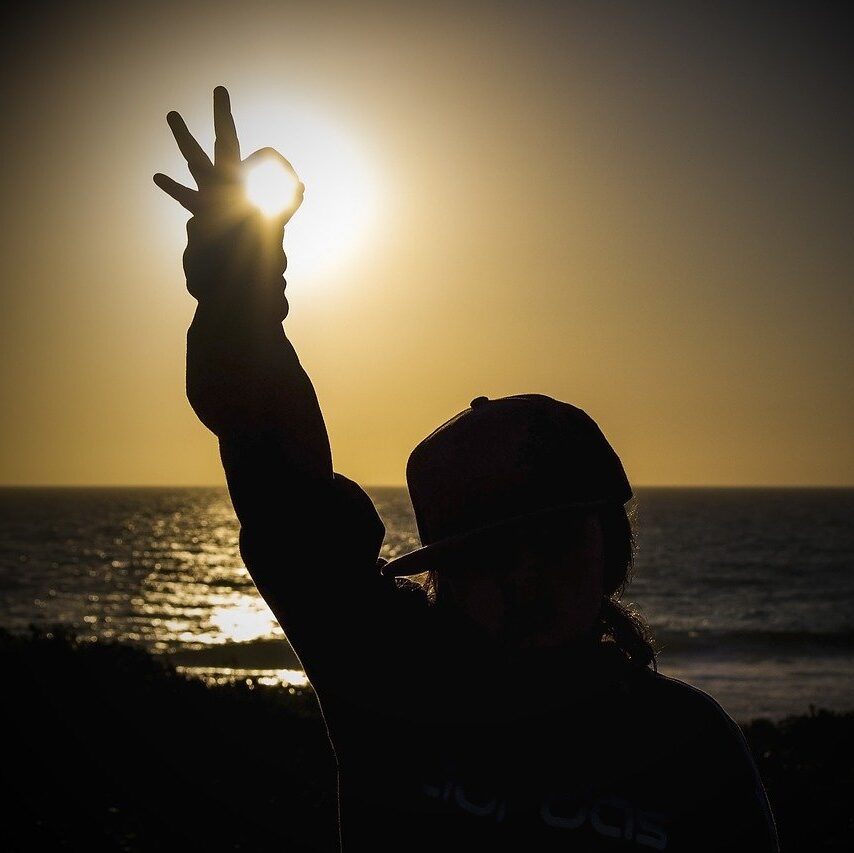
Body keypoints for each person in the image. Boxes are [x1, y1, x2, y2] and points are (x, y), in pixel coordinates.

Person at [155, 87, 780, 852]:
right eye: (486, 554)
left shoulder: (688, 744)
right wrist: (238, 287)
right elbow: (269, 458)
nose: (523, 577)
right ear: (443, 575)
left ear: (608, 549)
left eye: (551, 540)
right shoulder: (388, 674)